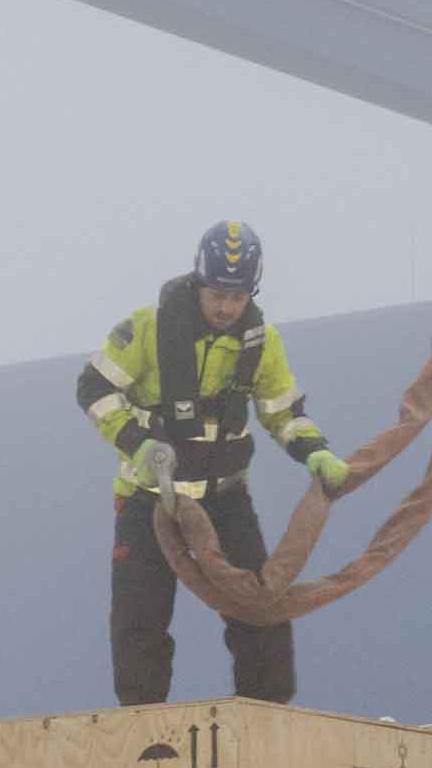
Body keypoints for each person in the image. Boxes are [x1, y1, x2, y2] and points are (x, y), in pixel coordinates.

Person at [77, 221, 350, 708]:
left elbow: (282, 412)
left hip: (225, 501)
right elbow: (93, 389)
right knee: (139, 620)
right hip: (150, 501)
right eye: (217, 294)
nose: (226, 307)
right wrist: (138, 444)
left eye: (238, 296)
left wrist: (316, 451)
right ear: (199, 283)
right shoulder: (148, 329)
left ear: (251, 293)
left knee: (262, 614)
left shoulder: (260, 342)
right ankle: (144, 735)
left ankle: (266, 722)